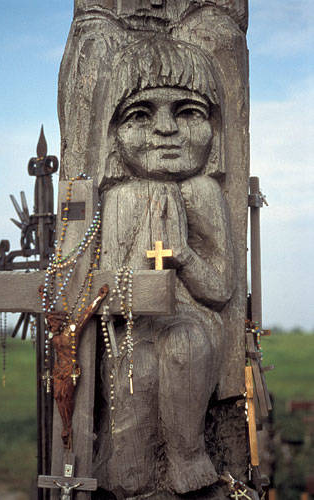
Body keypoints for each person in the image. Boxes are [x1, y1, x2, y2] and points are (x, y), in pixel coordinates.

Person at [93, 37, 236, 497]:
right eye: (140, 114)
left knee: (183, 347)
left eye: (189, 111)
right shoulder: (118, 199)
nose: (166, 129)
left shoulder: (204, 194)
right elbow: (109, 289)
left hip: (193, 321)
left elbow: (221, 290)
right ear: (112, 133)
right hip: (135, 328)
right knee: (139, 370)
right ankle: (128, 465)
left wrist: (183, 255)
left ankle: (187, 454)